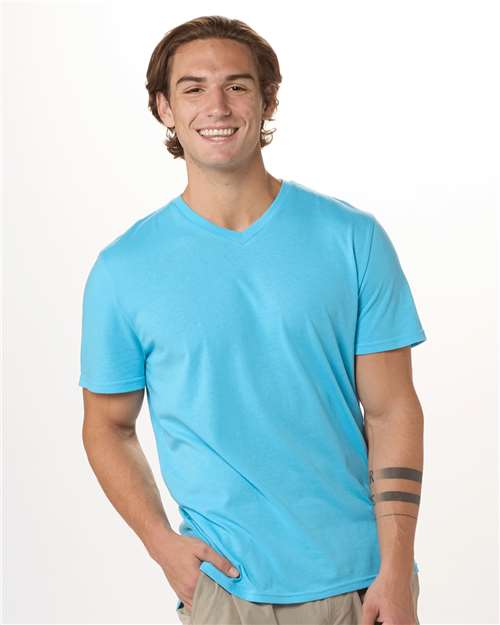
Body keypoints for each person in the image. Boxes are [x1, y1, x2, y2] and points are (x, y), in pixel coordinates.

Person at [79, 15, 426, 625]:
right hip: (224, 588)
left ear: (267, 100)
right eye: (193, 88)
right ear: (164, 108)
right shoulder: (123, 269)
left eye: (237, 86)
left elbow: (393, 409)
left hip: (360, 584)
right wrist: (163, 547)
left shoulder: (351, 239)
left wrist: (397, 570)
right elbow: (107, 425)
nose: (216, 106)